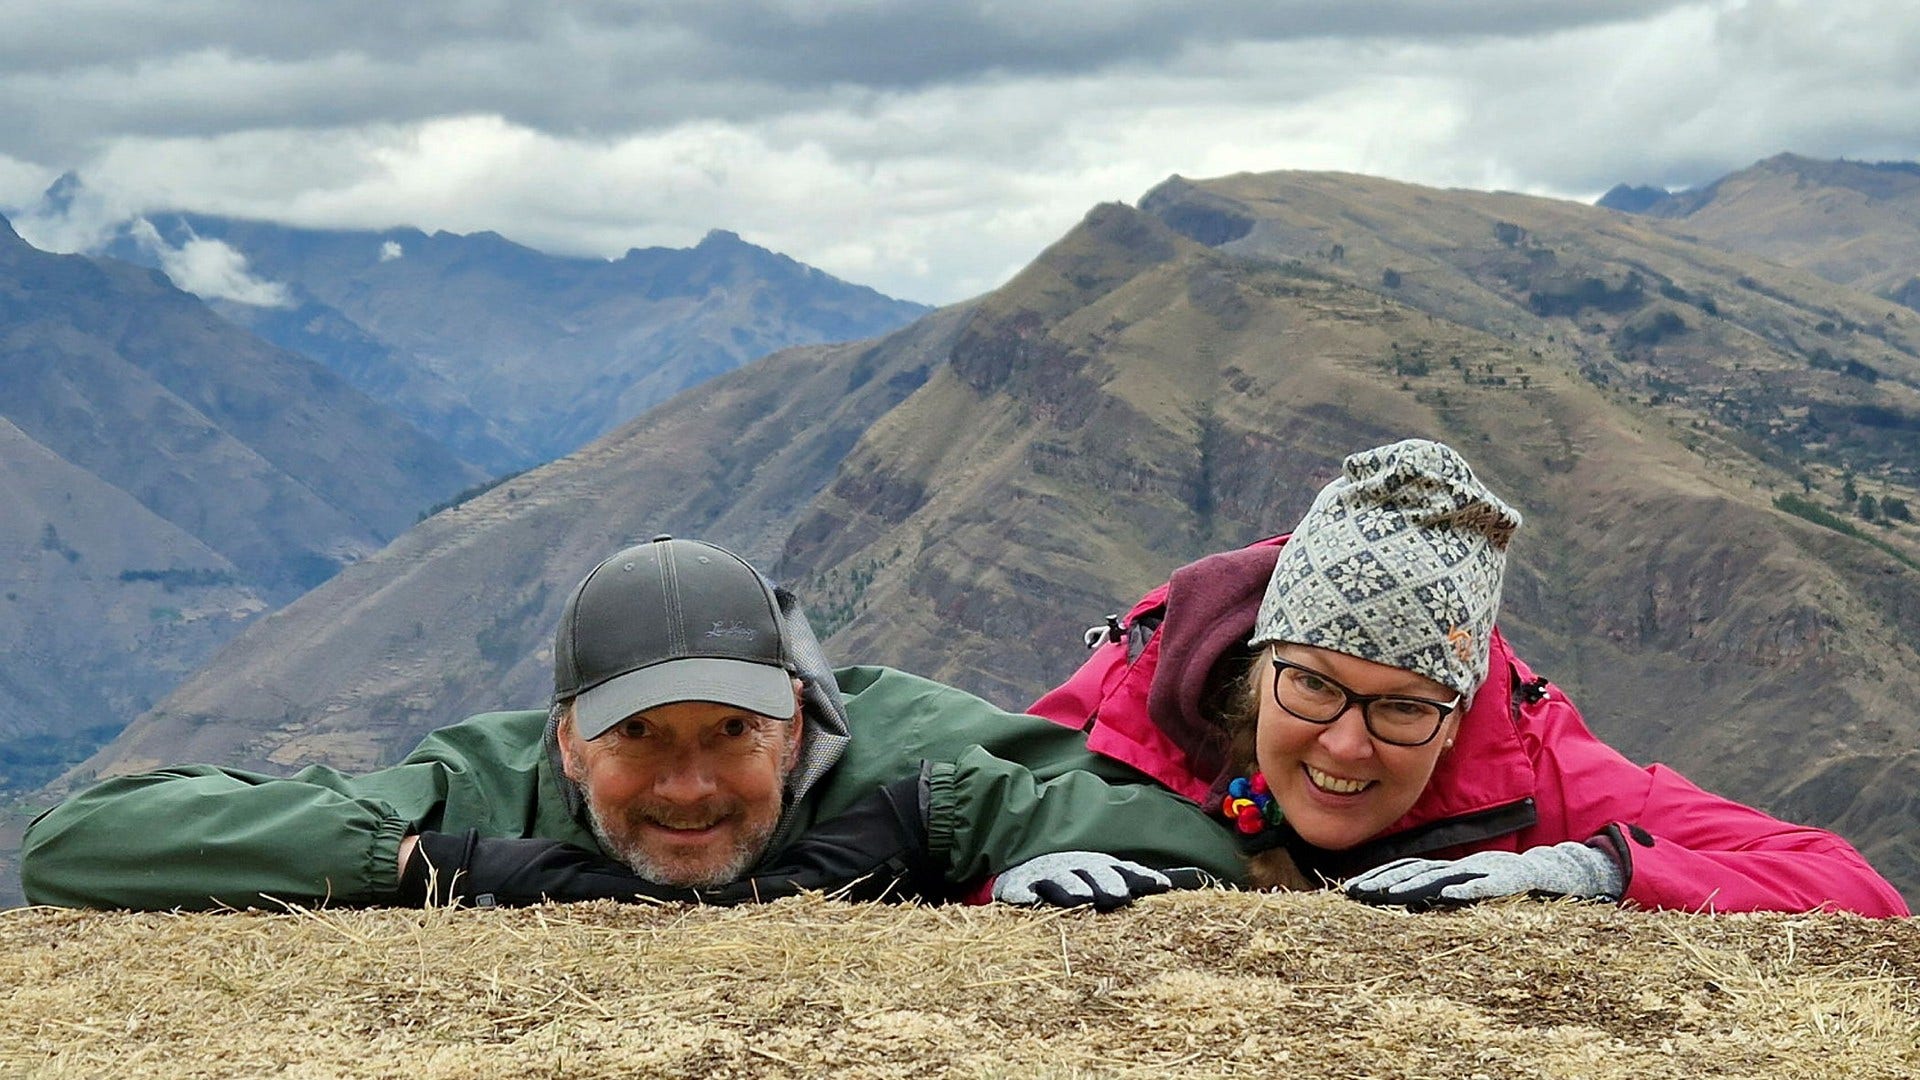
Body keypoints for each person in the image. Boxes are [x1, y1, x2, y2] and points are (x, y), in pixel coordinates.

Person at [23, 536, 1244, 912]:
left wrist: (957, 823)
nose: (690, 786)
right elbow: (76, 846)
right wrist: (427, 860)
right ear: (564, 740)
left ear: (798, 718)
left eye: (732, 733)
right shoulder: (482, 784)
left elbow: (1206, 844)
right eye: (639, 737)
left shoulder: (911, 751)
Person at [1030, 439, 1909, 916]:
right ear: (1260, 668)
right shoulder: (1134, 701)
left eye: (1403, 707)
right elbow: (967, 803)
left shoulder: (1535, 763)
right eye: (1314, 685)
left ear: (1459, 711)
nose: (1346, 744)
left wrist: (1593, 872)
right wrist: (1000, 876)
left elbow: (1848, 885)